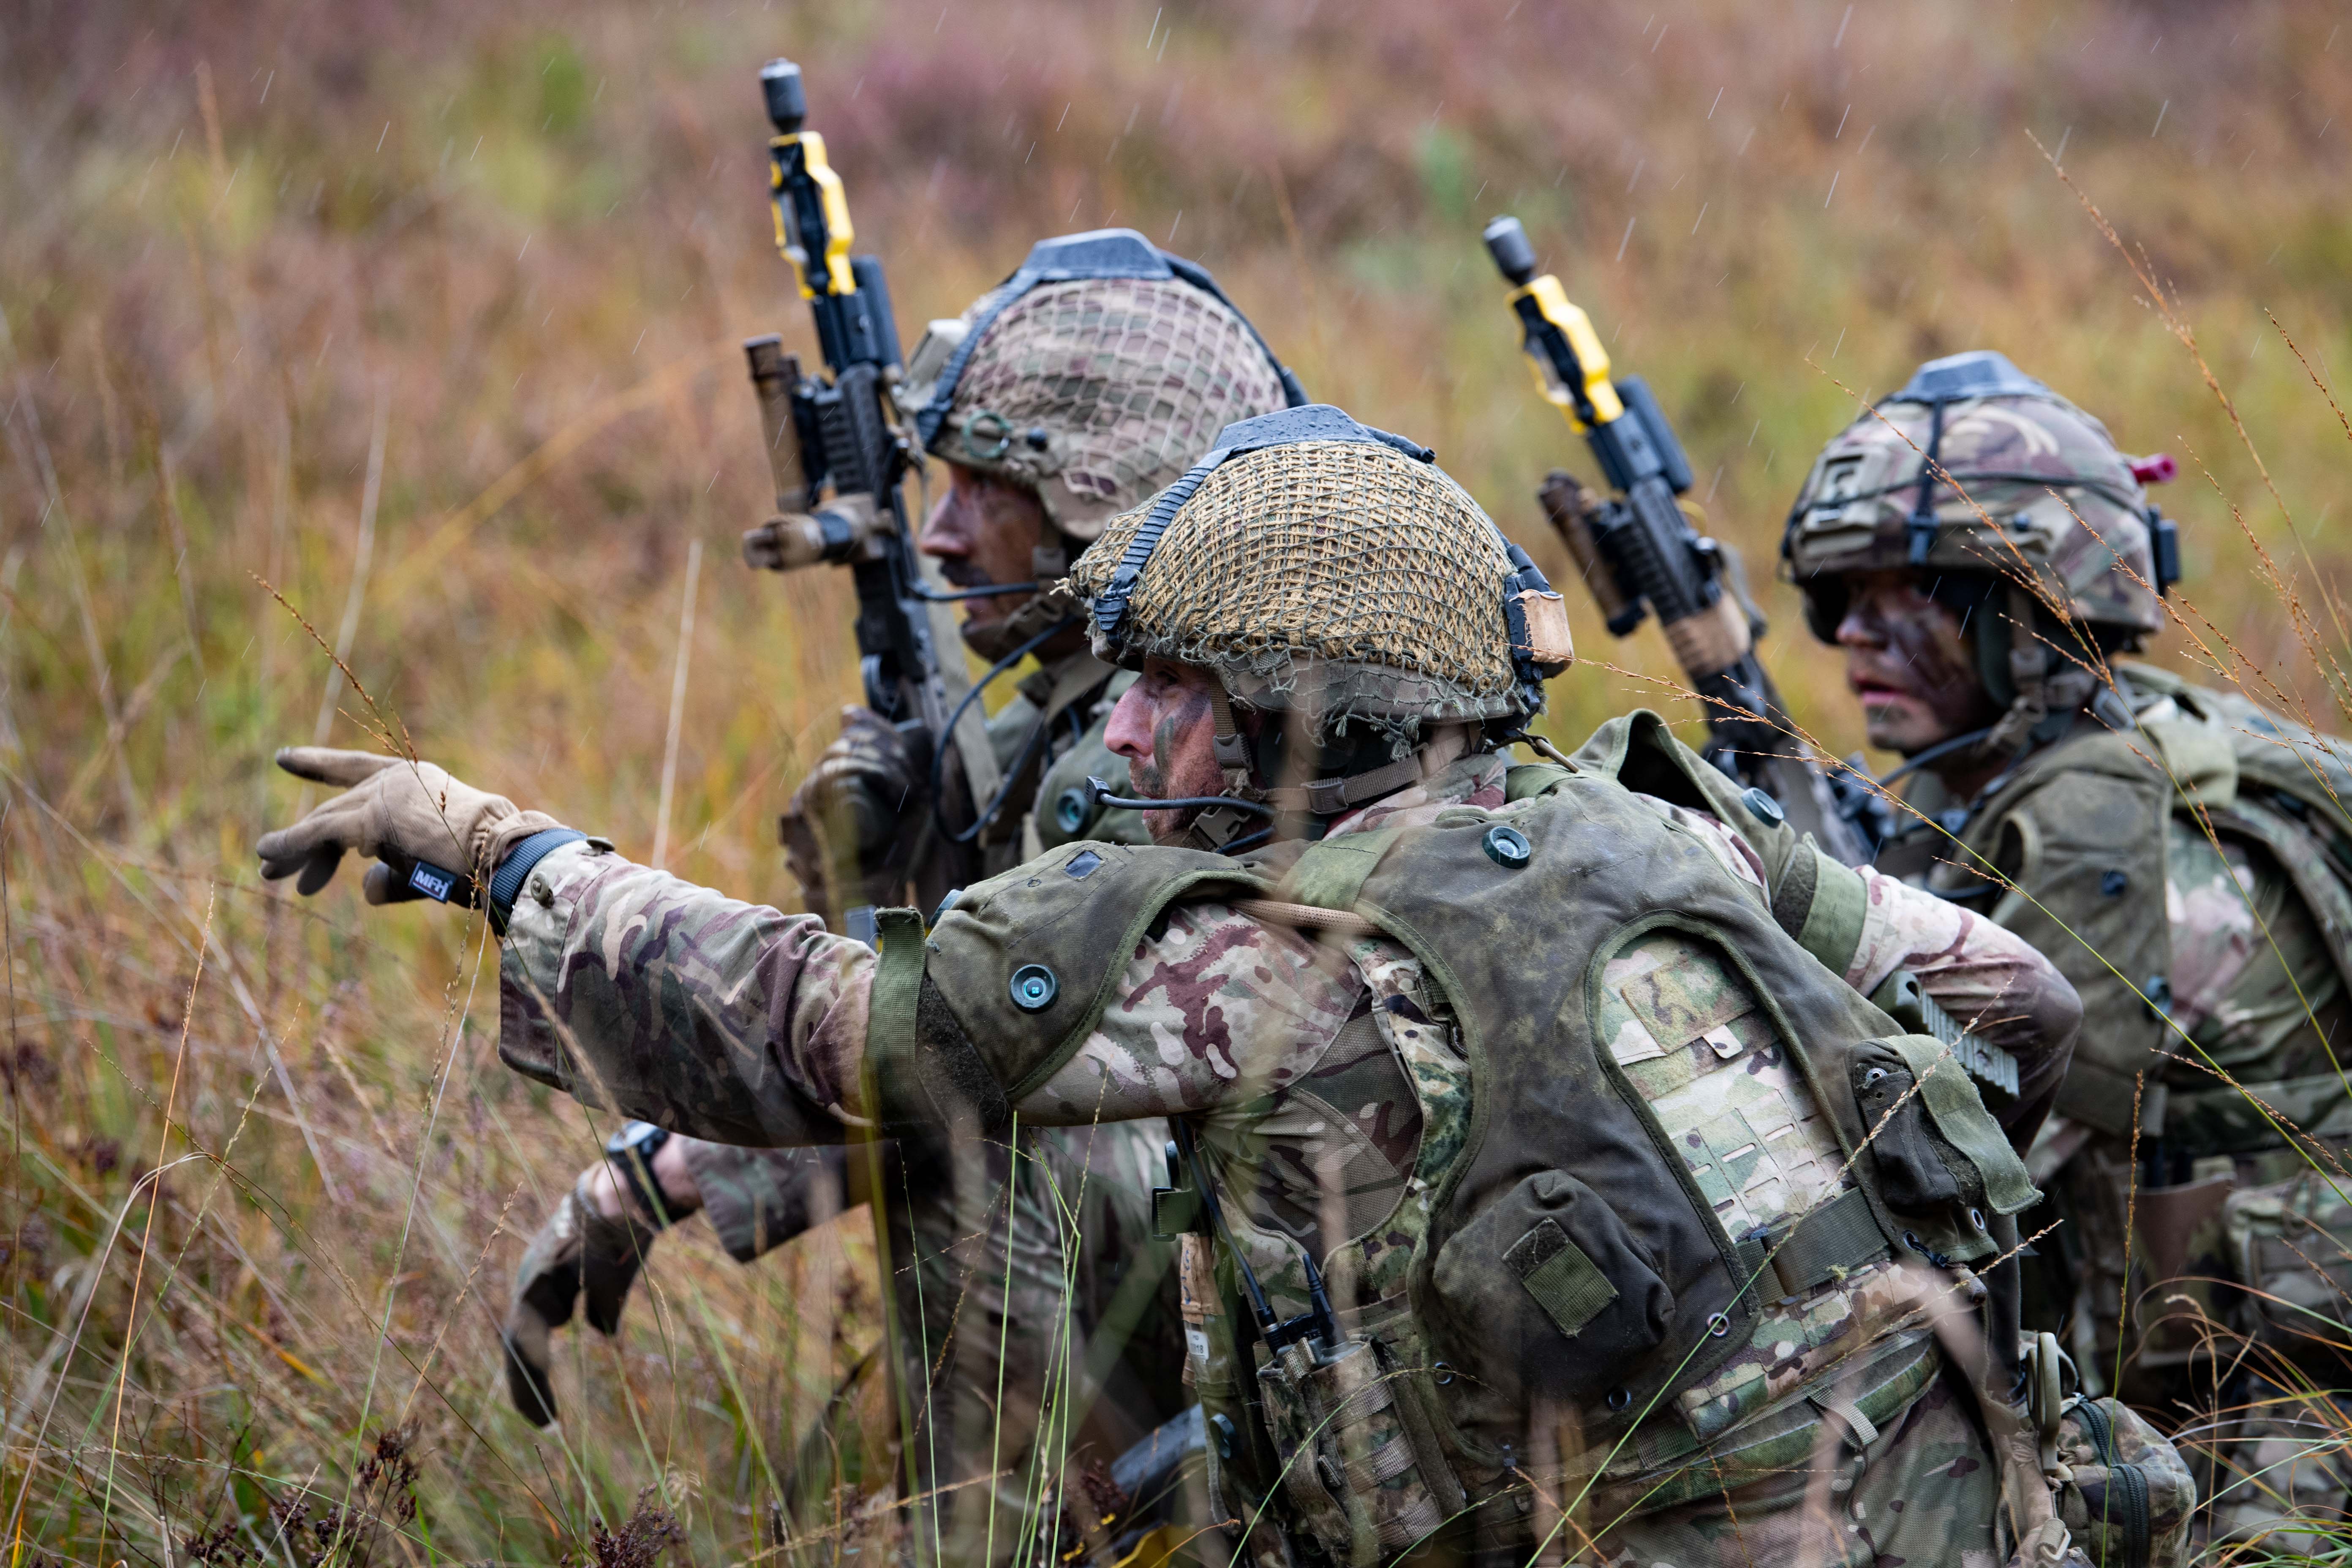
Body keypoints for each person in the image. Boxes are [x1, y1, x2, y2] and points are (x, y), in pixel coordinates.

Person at [262, 404, 2096, 1565]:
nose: (1122, 723)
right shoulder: (1663, 823)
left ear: (1311, 712)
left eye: (1170, 683)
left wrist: (515, 857)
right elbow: (2022, 996)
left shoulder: (1261, 953)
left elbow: (829, 1031)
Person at [492, 228, 1301, 1564]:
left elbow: (965, 1058)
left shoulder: (1160, 755)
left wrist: (666, 1172)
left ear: (1109, 501)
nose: (938, 529)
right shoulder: (1158, 700)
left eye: (987, 486)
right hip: (1319, 1309)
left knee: (984, 1141)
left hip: (1315, 1339)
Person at [1784, 348, 2352, 1553]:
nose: (1856, 640)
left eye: (1913, 598)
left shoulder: (2103, 824)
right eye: (1843, 601)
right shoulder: (2191, 739)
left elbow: (1951, 1167)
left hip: (2257, 1467)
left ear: (2037, 615)